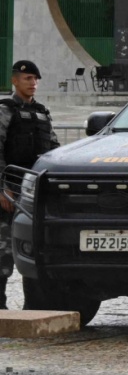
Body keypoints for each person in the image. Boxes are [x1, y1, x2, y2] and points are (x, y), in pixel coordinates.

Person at [0, 61, 60, 309]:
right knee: (3, 253)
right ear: (15, 81)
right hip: (10, 193)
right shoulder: (5, 111)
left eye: (35, 79)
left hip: (35, 194)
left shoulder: (42, 113)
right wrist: (2, 187)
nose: (33, 83)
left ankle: (35, 308)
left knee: (36, 251)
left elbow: (55, 151)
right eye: (27, 78)